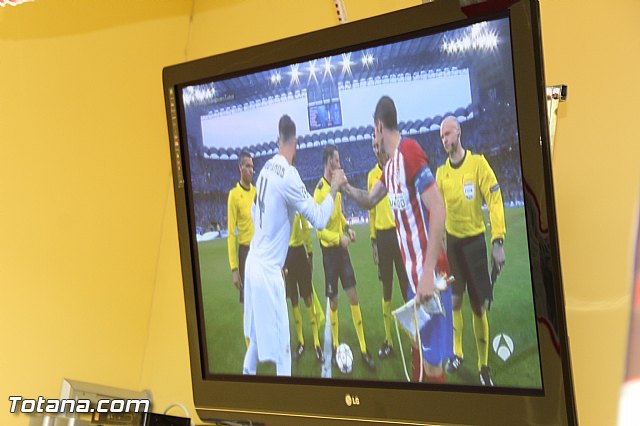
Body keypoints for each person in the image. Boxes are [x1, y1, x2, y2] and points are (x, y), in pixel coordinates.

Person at [342, 96, 452, 383]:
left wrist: (428, 274)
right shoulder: (389, 168)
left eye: (373, 129)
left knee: (433, 366)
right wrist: (344, 188)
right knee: (417, 346)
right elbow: (368, 200)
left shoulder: (410, 152)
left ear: (379, 125)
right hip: (415, 279)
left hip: (431, 278)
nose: (373, 136)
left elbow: (438, 208)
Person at [243, 115, 346, 377]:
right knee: (283, 349)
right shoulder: (289, 175)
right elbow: (320, 219)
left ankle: (247, 377)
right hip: (267, 273)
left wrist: (267, 243)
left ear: (279, 140)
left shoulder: (265, 168)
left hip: (253, 263)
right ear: (295, 142)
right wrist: (333, 188)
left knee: (255, 339)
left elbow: (255, 211)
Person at [435, 116, 506, 386]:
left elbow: (495, 198)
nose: (445, 139)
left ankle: (483, 366)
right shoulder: (441, 174)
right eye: (442, 136)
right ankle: (457, 354)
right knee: (454, 301)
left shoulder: (478, 164)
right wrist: (440, 244)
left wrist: (497, 241)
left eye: (448, 133)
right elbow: (438, 211)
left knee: (477, 307)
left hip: (475, 243)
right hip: (452, 245)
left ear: (459, 132)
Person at [314, 145, 376, 371]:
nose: (340, 163)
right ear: (329, 162)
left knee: (353, 297)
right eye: (337, 160)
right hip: (329, 254)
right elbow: (320, 230)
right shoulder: (320, 191)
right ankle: (337, 346)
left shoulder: (337, 189)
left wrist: (347, 227)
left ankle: (363, 348)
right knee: (333, 301)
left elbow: (338, 215)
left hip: (342, 252)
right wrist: (337, 238)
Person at [367, 135, 410, 359]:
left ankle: (415, 338)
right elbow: (371, 212)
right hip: (383, 238)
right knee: (386, 290)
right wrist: (374, 242)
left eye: (378, 145)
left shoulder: (398, 169)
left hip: (400, 235)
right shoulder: (371, 176)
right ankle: (388, 341)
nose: (377, 149)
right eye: (373, 146)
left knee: (406, 288)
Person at [285, 212, 325, 363]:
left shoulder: (296, 204)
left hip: (300, 253)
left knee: (308, 297)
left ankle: (316, 342)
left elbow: (306, 229)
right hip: (285, 255)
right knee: (294, 299)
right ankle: (300, 342)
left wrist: (310, 253)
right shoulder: (280, 202)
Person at [227, 151, 256, 347]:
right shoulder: (233, 195)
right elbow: (231, 234)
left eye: (252, 166)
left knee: (261, 298)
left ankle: (260, 339)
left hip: (260, 252)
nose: (251, 170)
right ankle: (249, 346)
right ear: (240, 168)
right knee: (247, 303)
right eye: (247, 166)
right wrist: (234, 268)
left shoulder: (256, 192)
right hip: (245, 253)